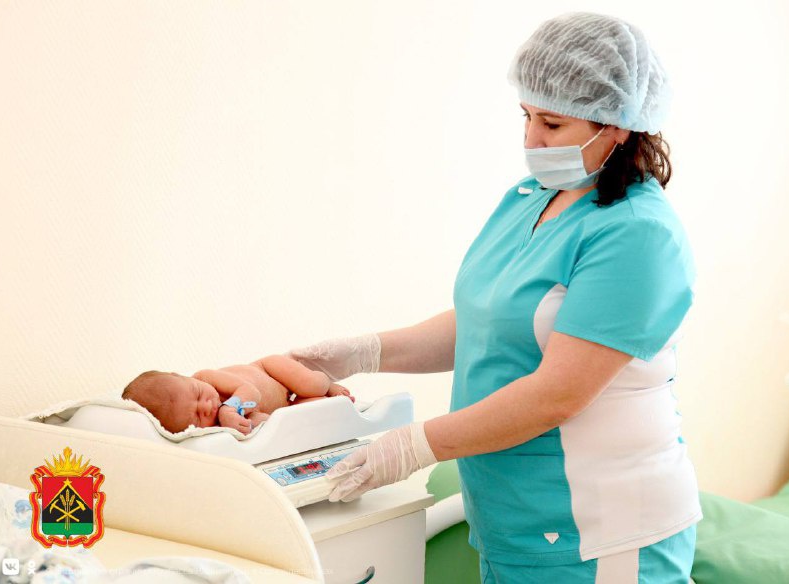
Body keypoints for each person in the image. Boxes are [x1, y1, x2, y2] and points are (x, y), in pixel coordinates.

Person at [281, 11, 701, 584]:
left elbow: (557, 395)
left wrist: (412, 446)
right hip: (515, 521)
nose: (531, 140)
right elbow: (489, 321)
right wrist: (361, 353)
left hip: (605, 533)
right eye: (526, 116)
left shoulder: (637, 234)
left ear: (619, 125)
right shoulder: (533, 195)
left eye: (552, 123)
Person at [122, 354, 353, 434]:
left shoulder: (206, 377)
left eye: (197, 394)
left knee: (312, 384)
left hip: (273, 373)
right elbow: (264, 418)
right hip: (285, 403)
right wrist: (249, 422)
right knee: (311, 410)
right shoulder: (221, 425)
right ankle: (328, 399)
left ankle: (328, 385)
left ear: (182, 376)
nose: (206, 406)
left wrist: (229, 409)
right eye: (197, 417)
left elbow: (251, 392)